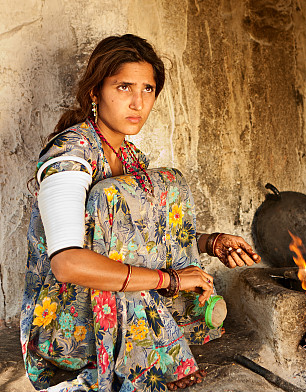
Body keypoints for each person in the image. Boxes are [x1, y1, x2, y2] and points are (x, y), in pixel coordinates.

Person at [20, 34, 260, 392]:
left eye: (148, 90)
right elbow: (67, 264)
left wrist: (211, 243)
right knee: (128, 264)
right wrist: (171, 280)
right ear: (95, 92)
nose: (137, 102)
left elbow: (136, 240)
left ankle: (151, 347)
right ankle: (151, 358)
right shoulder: (70, 157)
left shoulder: (132, 158)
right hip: (65, 322)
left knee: (168, 186)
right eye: (124, 87)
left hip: (114, 307)